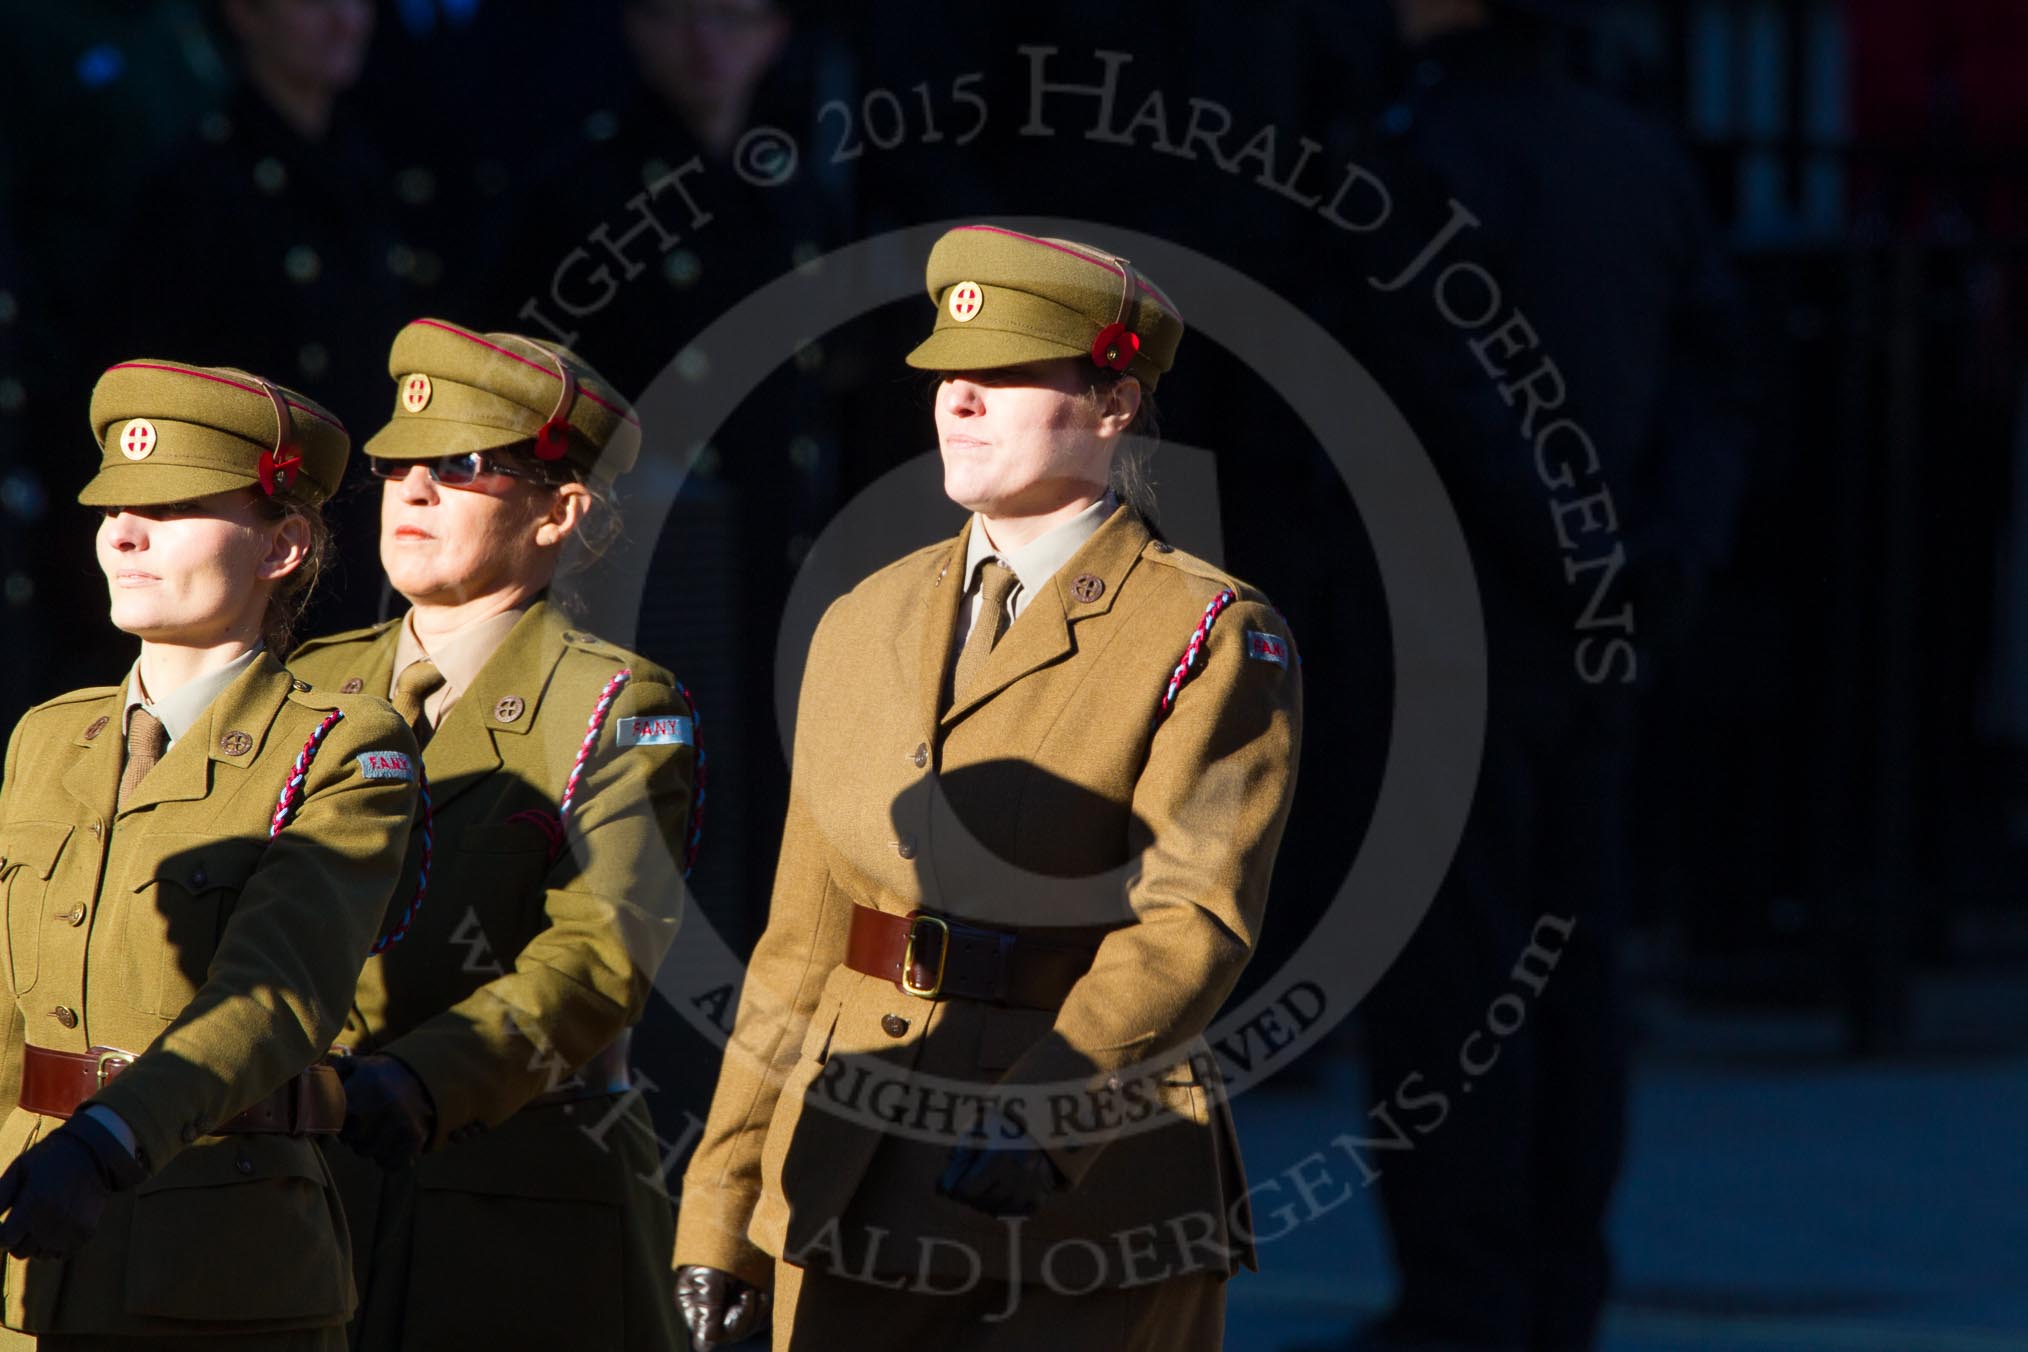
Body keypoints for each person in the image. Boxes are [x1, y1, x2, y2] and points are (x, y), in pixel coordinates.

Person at [673, 225, 1304, 1349]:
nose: (958, 398)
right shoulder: (862, 616)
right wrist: (717, 1210)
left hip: (1084, 1196)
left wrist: (1054, 1111)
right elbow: (801, 939)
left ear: (1114, 401)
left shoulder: (1207, 628)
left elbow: (1192, 918)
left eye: (1006, 374)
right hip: (848, 1170)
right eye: (947, 374)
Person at [284, 318, 697, 1351]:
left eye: (461, 465)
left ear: (561, 511)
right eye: (397, 464)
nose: (413, 488)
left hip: (514, 1223)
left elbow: (601, 954)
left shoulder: (620, 706)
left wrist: (425, 1079)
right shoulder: (307, 685)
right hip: (305, 1211)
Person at [0, 359, 420, 1348]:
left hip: (219, 1274)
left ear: (284, 544)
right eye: (112, 507)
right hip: (27, 1264)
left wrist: (105, 1139)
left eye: (176, 506)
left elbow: (273, 995)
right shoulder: (49, 737)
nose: (125, 533)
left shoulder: (344, 745)